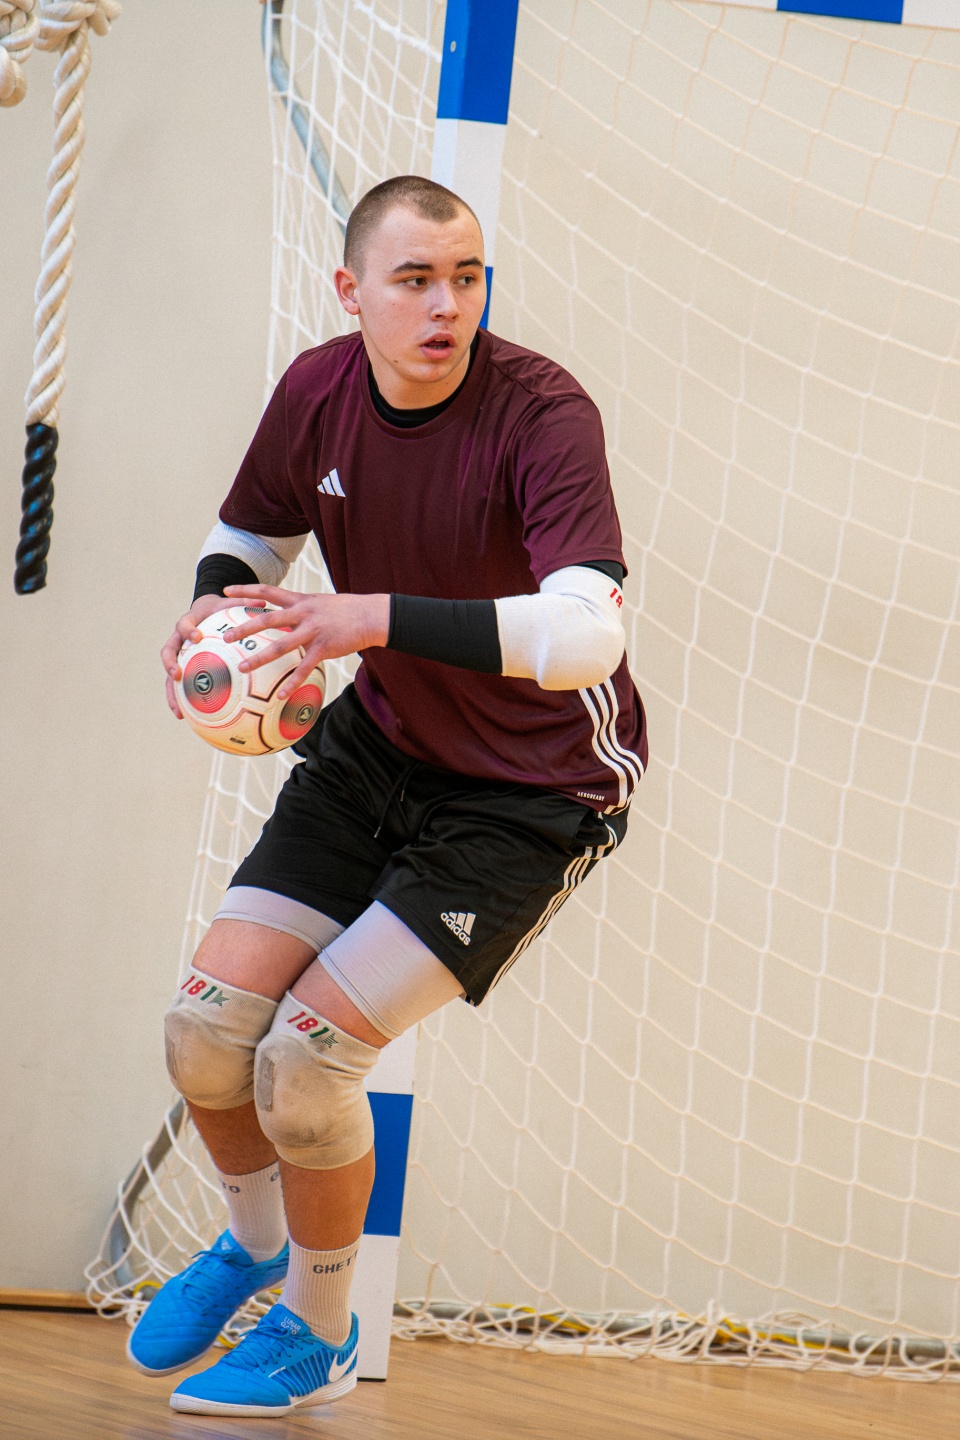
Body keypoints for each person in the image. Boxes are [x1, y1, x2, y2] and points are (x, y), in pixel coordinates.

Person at [131, 174, 647, 1418]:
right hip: (381, 747)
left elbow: (589, 635)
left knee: (308, 1059)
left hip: (531, 790)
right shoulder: (318, 390)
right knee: (205, 1032)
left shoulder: (542, 413)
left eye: (467, 277)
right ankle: (252, 1244)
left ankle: (318, 1329)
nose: (447, 304)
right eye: (415, 279)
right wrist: (213, 615)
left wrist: (370, 617)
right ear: (352, 292)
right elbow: (248, 537)